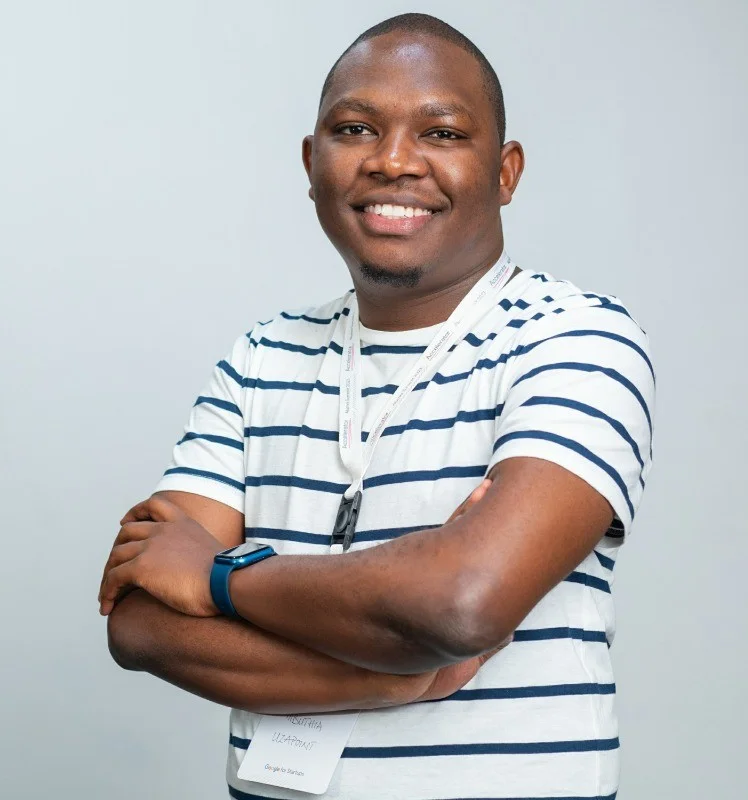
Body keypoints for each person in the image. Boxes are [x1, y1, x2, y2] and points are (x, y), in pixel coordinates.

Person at [99, 12, 655, 800]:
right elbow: (141, 622)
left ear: (505, 171)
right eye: (356, 128)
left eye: (443, 133)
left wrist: (221, 578)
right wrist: (399, 679)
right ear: (311, 159)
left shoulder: (575, 338)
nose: (394, 161)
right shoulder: (262, 358)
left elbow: (463, 602)